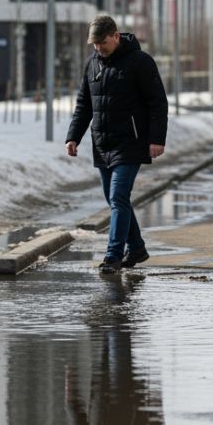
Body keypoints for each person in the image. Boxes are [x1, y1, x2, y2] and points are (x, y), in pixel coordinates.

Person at [67, 15, 169, 275]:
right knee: (115, 199)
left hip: (131, 143)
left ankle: (113, 255)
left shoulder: (140, 62)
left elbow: (157, 102)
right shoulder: (92, 65)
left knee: (118, 196)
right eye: (94, 43)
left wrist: (156, 138)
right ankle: (136, 248)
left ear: (115, 36)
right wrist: (73, 136)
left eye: (102, 42)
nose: (98, 47)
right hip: (102, 143)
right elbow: (84, 105)